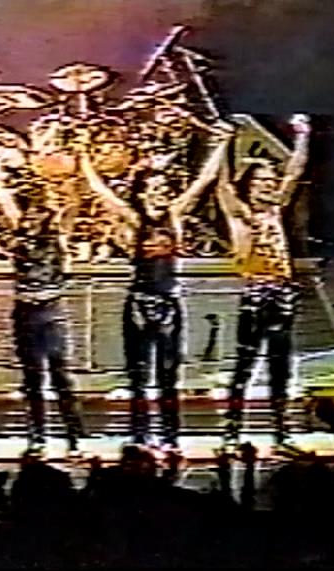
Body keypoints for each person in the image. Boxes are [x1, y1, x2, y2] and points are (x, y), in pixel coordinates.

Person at [79, 122, 231, 451]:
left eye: (166, 188)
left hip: (169, 304)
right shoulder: (136, 220)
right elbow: (99, 190)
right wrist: (82, 153)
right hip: (138, 303)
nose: (164, 192)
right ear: (143, 192)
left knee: (168, 375)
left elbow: (204, 180)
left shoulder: (174, 216)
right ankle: (139, 436)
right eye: (157, 188)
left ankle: (170, 437)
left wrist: (221, 144)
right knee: (138, 376)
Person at [215, 114, 312, 450]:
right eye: (262, 181)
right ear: (249, 185)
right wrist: (223, 143)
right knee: (245, 365)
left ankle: (282, 433)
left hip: (283, 295)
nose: (270, 186)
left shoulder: (275, 210)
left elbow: (295, 171)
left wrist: (302, 134)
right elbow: (222, 184)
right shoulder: (240, 214)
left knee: (280, 366)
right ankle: (231, 433)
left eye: (272, 180)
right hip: (256, 295)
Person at [0, 140, 85, 457]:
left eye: (37, 215)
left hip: (51, 312)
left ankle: (73, 437)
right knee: (32, 377)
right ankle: (37, 437)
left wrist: (75, 169)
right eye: (28, 214)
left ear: (45, 215)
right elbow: (3, 197)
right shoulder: (20, 234)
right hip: (25, 311)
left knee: (60, 375)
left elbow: (73, 206)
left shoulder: (57, 237)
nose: (31, 220)